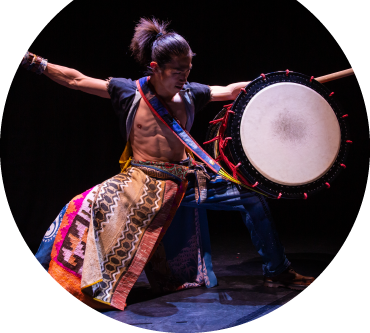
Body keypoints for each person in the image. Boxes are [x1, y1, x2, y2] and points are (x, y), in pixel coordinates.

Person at [23, 17, 314, 311]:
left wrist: (277, 87)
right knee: (78, 206)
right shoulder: (129, 92)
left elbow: (231, 90)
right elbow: (76, 79)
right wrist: (35, 62)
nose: (184, 77)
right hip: (141, 180)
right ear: (155, 68)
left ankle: (278, 271)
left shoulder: (191, 93)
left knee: (251, 196)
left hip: (183, 182)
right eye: (177, 71)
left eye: (188, 69)